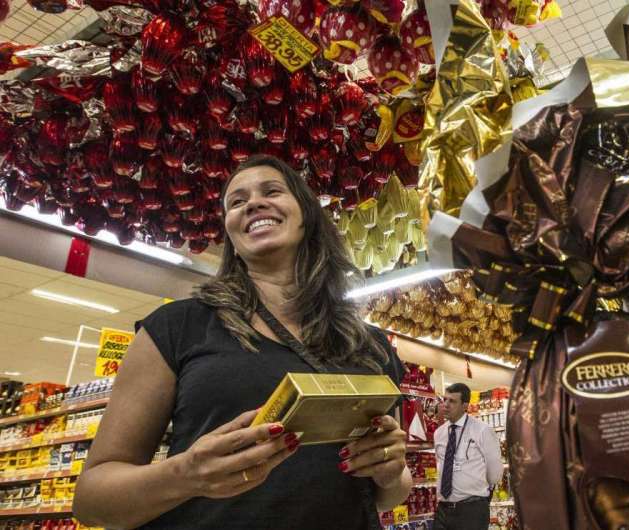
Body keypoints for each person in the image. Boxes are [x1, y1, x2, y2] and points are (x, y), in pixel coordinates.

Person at [73, 155, 413, 530]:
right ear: (230, 233)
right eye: (236, 202)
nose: (252, 203)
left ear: (307, 216)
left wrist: (389, 472)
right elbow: (92, 501)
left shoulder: (372, 345)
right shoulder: (178, 327)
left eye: (272, 191)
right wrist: (186, 474)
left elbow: (389, 493)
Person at [432, 383, 503, 530]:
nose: (446, 404)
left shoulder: (482, 431)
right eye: (445, 399)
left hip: (472, 509)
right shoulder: (439, 433)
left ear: (465, 405)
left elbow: (494, 474)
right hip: (443, 510)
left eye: (452, 401)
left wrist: (479, 493)